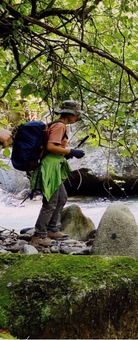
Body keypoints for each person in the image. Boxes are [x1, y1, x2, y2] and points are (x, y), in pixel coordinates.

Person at [30, 100, 86, 247]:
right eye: (77, 115)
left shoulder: (57, 125)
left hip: (54, 164)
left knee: (62, 197)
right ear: (71, 114)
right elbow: (50, 146)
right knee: (50, 202)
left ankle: (52, 229)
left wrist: (65, 154)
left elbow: (54, 147)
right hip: (50, 168)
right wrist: (71, 151)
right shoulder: (60, 126)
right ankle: (39, 235)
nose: (78, 118)